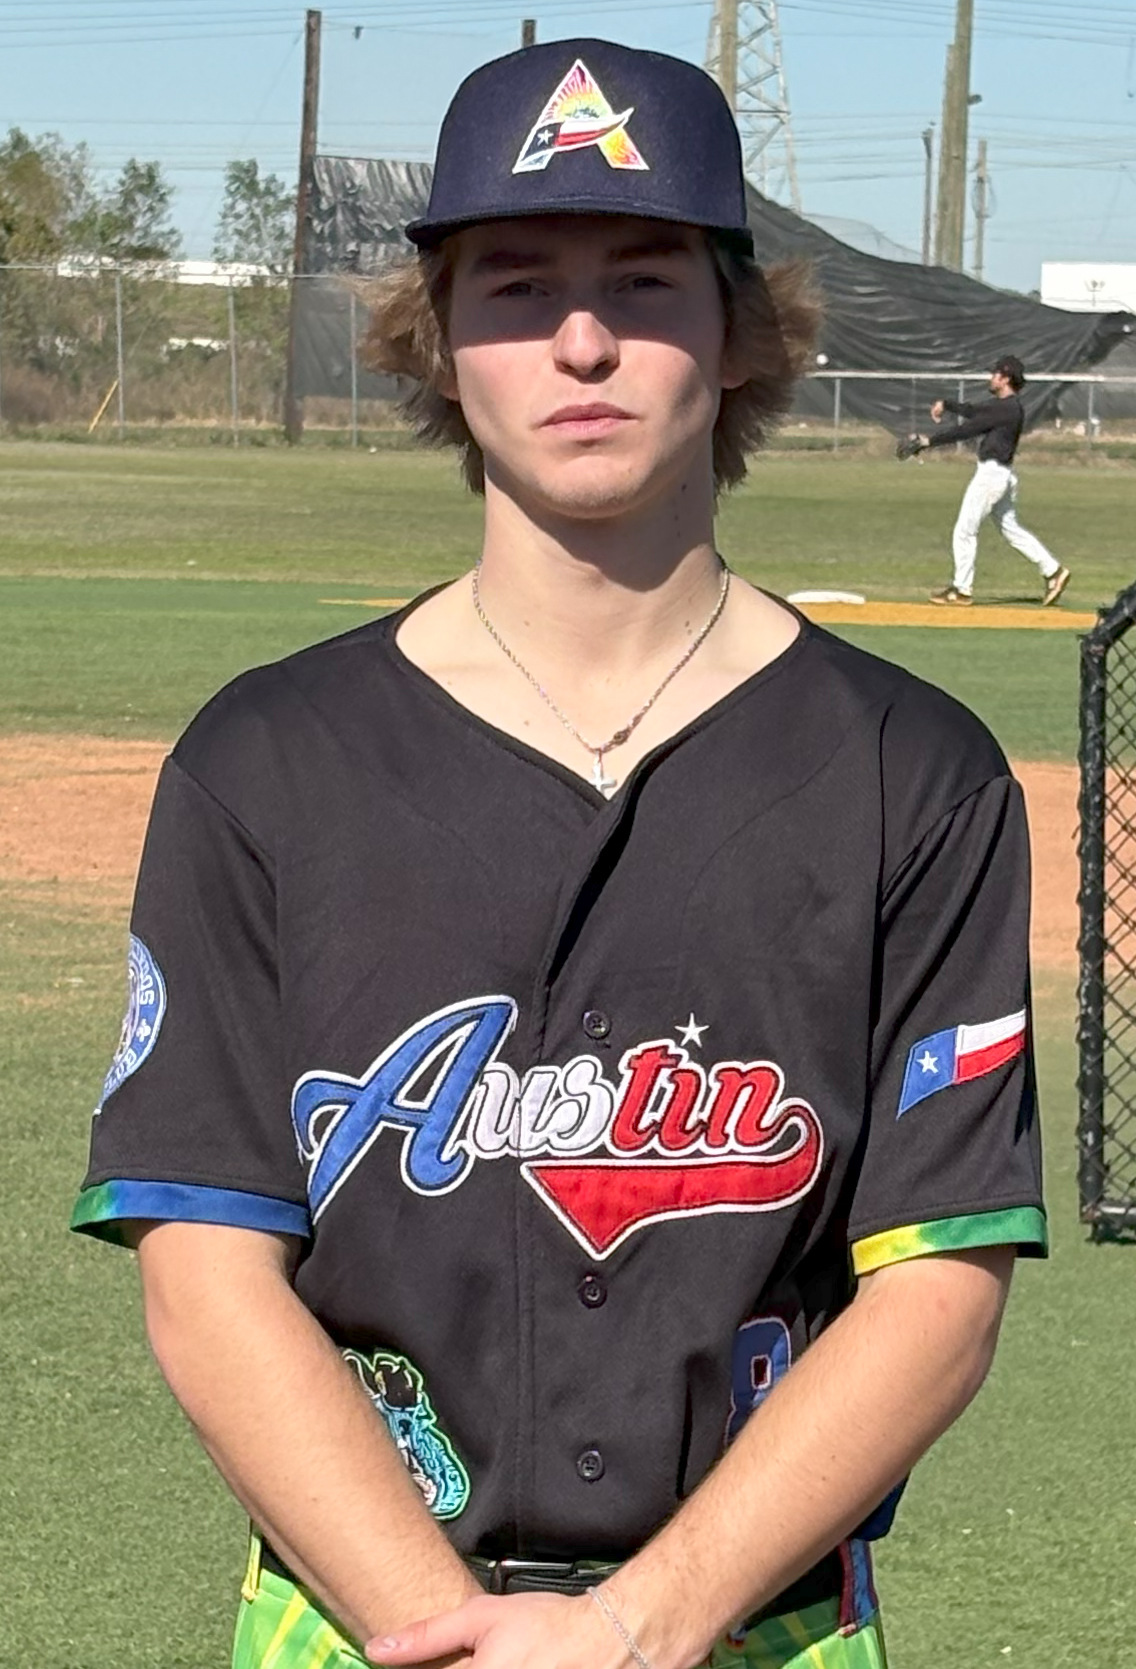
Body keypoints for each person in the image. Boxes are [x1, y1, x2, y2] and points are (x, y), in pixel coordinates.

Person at [72, 37, 1047, 1669]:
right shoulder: (266, 762)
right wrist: (447, 1629)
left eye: (643, 283)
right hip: (358, 1622)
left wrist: (641, 1625)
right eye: (517, 288)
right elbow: (205, 1270)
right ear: (437, 341)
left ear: (737, 332)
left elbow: (937, 1289)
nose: (581, 342)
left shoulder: (912, 773)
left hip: (758, 1624)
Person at [903, 354, 1070, 607]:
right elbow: (974, 412)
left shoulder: (1006, 409)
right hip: (1002, 475)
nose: (991, 378)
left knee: (965, 530)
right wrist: (946, 404)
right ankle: (1053, 571)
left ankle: (961, 589)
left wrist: (928, 442)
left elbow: (968, 429)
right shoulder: (1006, 406)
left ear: (1005, 379)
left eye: (995, 374)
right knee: (1011, 529)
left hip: (991, 476)